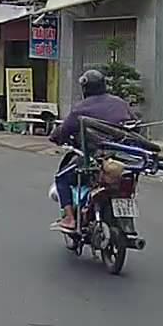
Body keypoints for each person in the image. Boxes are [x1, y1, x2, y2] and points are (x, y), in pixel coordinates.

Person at [48, 69, 137, 232]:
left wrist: (55, 137)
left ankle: (69, 218)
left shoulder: (81, 107)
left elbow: (64, 130)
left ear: (85, 88)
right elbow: (135, 125)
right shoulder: (120, 103)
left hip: (95, 158)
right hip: (123, 158)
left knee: (61, 178)